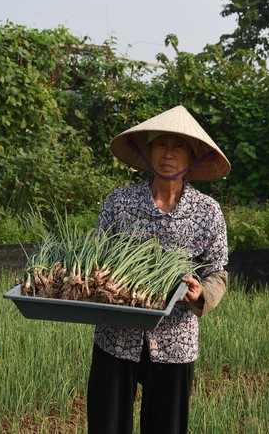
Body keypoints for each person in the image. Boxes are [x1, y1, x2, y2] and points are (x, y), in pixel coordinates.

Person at [87, 105, 231, 434]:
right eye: (161, 144)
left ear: (193, 157)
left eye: (178, 146)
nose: (168, 154)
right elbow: (97, 258)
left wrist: (200, 294)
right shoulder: (119, 201)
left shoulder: (207, 211)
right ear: (149, 150)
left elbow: (218, 273)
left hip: (174, 342)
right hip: (116, 335)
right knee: (106, 425)